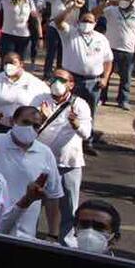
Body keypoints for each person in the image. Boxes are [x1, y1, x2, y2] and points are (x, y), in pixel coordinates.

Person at [34, 70, 92, 243]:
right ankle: (28, 239)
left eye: (61, 80)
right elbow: (29, 128)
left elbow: (86, 134)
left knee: (69, 209)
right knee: (34, 204)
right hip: (41, 163)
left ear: (71, 84)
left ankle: (66, 243)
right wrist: (41, 117)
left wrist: (76, 125)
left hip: (69, 163)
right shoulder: (40, 100)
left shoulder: (80, 105)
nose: (56, 83)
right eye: (54, 78)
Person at [0, 106, 63, 240]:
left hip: (25, 235)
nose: (30, 128)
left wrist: (53, 234)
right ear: (13, 121)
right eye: (26, 123)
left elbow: (53, 197)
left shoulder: (45, 153)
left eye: (36, 126)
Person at [0, 51, 47, 124]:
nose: (8, 66)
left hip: (22, 127)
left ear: (21, 64)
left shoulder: (35, 82)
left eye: (12, 63)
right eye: (6, 63)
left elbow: (48, 100)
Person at [93, 0, 135, 109]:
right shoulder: (111, 10)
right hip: (110, 48)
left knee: (126, 77)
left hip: (129, 50)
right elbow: (94, 12)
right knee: (105, 74)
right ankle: (101, 97)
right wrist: (107, 4)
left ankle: (123, 100)